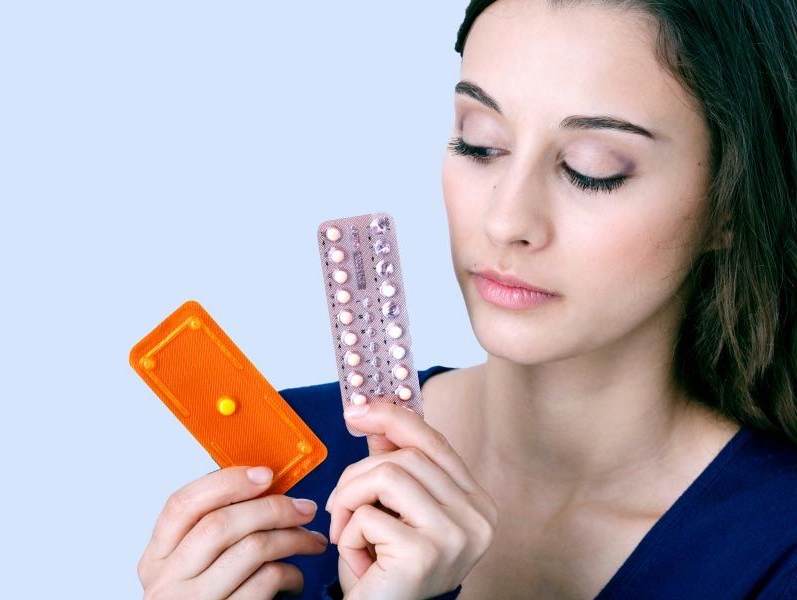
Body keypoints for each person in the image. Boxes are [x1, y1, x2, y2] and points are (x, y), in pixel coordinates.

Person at [136, 0, 797, 598]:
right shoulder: (286, 461)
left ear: (728, 207)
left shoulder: (775, 543)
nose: (507, 220)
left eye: (592, 169)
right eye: (479, 142)